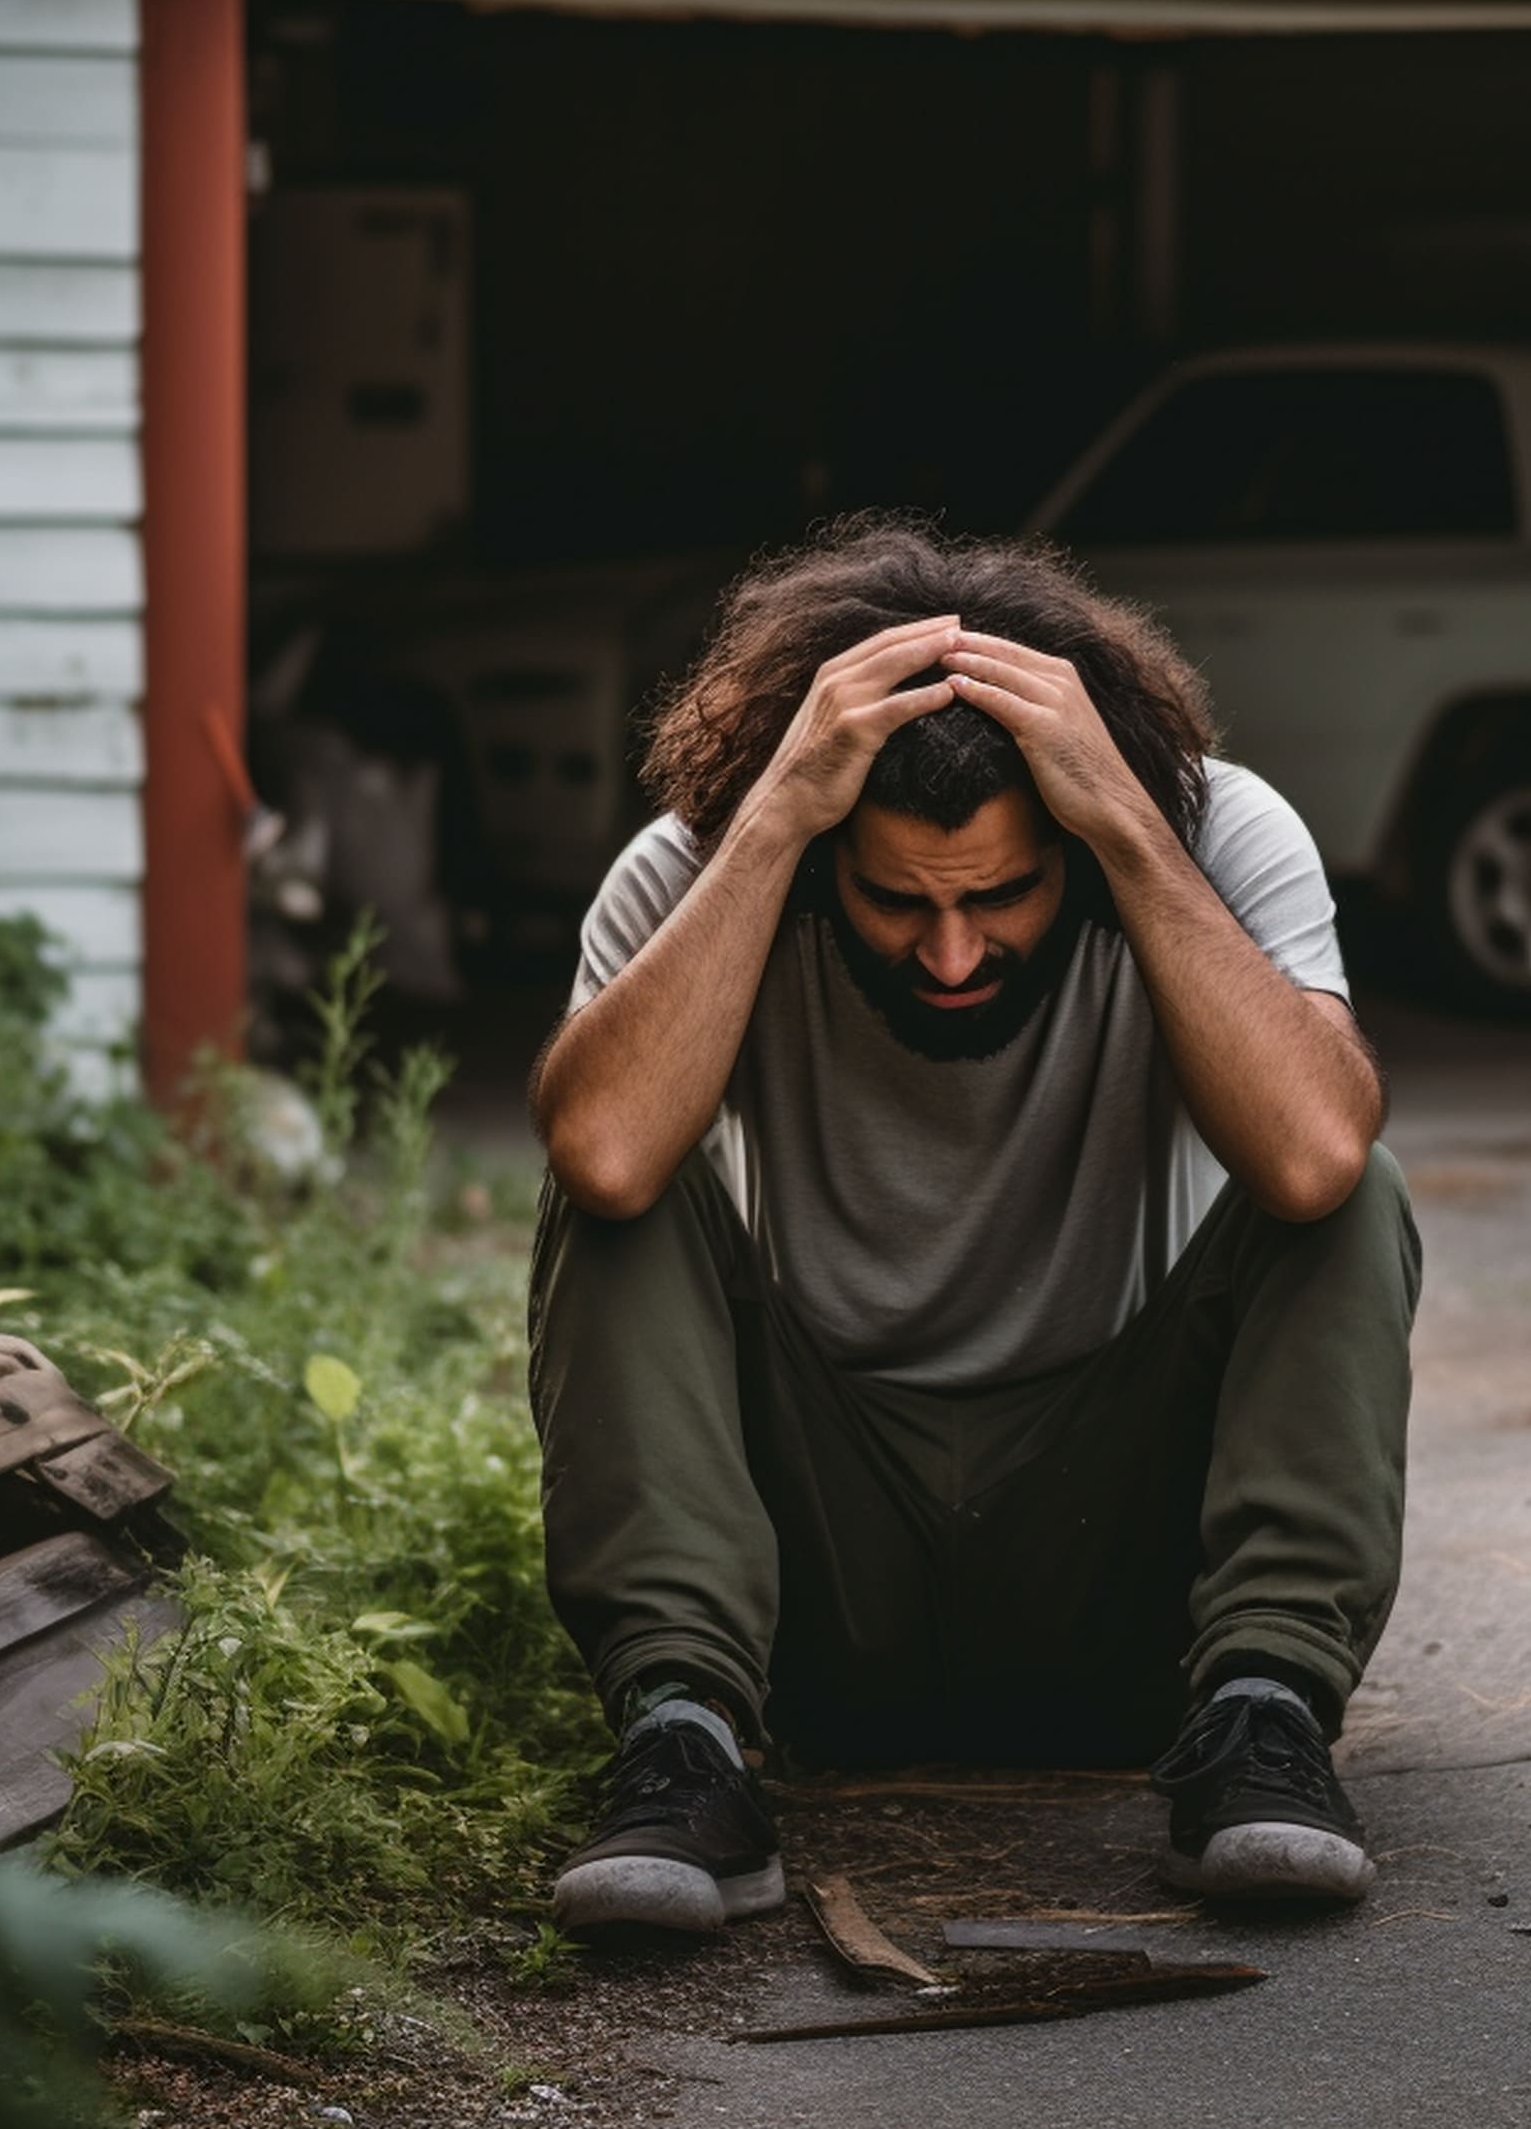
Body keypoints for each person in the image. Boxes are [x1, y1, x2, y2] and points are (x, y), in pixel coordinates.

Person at [526, 517, 1420, 1935]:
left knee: (1346, 1178)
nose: (951, 953)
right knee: (615, 1192)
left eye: (1000, 893)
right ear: (831, 854)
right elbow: (607, 1151)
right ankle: (684, 1739)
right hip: (818, 1591)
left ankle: (1262, 1720)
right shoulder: (705, 861)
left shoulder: (1208, 833)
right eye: (897, 902)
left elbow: (1313, 1156)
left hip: (1117, 1580)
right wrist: (774, 821)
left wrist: (1123, 823)